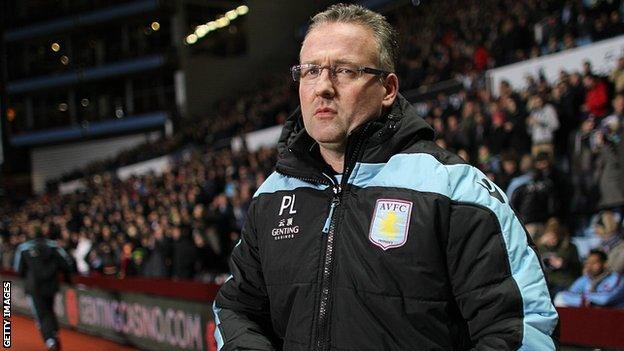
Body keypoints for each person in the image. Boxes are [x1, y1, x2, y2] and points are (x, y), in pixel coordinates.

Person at [213, 4, 558, 350]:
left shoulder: (456, 190)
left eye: (344, 70)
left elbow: (522, 327)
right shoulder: (272, 196)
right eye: (310, 71)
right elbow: (235, 308)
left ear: (388, 88)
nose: (323, 87)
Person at [13, 226, 74, 351]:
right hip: (51, 285)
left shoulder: (23, 248)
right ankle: (54, 334)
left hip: (34, 287)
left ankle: (50, 339)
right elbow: (67, 263)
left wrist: (28, 275)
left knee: (41, 314)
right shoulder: (54, 246)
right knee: (49, 310)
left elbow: (18, 269)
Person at [554, 249, 624, 308]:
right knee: (559, 298)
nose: (590, 266)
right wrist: (585, 301)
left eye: (594, 263)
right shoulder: (585, 278)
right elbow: (566, 295)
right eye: (588, 263)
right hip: (592, 314)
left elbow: (605, 299)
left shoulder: (616, 278)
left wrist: (585, 297)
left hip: (614, 316)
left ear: (605, 264)